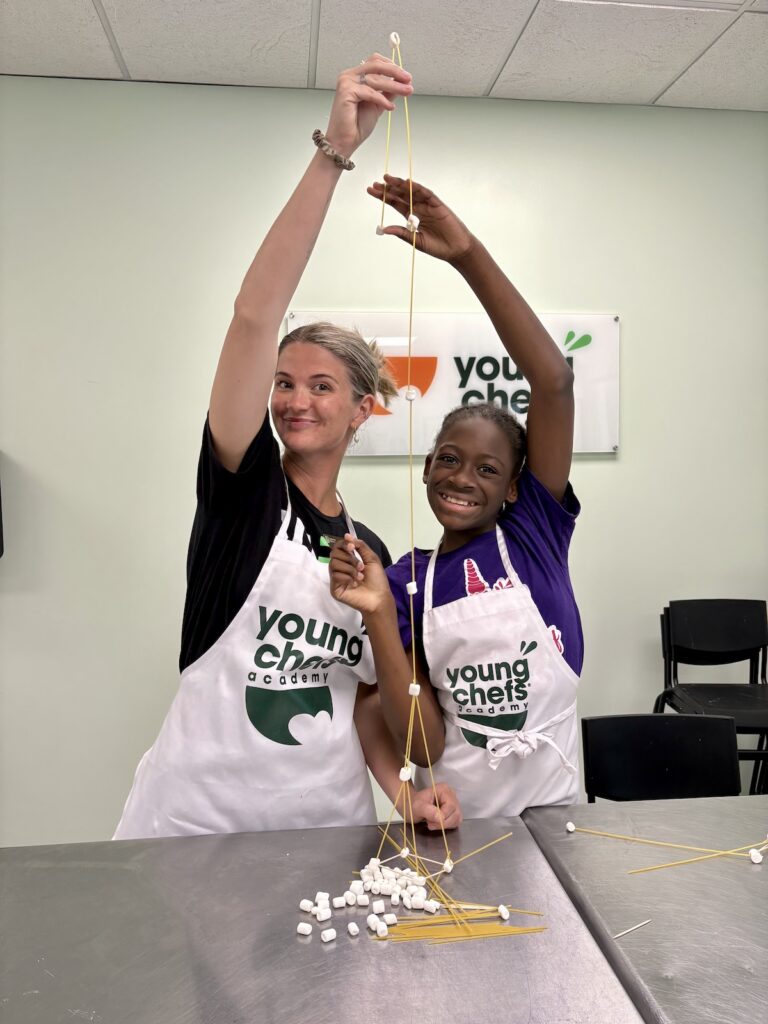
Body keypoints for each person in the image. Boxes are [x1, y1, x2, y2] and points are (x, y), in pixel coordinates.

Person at [114, 58, 461, 839]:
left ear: (364, 410)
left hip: (318, 836)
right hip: (191, 831)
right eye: (284, 381)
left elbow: (379, 710)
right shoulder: (246, 489)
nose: (295, 399)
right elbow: (251, 315)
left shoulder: (366, 550)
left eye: (321, 386)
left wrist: (402, 795)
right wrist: (334, 155)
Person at [330, 176, 582, 818]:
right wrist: (381, 614)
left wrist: (466, 254)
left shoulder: (534, 537)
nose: (462, 478)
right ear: (425, 470)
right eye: (448, 459)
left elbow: (552, 383)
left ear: (515, 488)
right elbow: (422, 744)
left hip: (559, 817)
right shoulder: (407, 581)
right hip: (457, 826)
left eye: (487, 470)